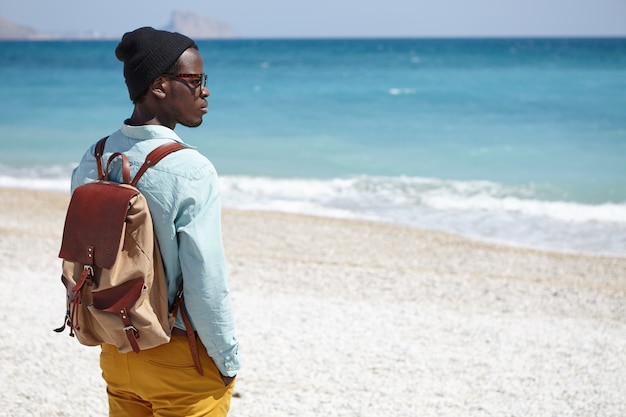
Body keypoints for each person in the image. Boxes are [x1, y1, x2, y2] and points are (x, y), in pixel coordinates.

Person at [70, 27, 241, 416]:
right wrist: (227, 360)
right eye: (195, 81)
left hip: (118, 348)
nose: (205, 91)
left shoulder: (93, 158)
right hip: (180, 355)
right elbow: (205, 280)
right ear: (160, 86)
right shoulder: (190, 169)